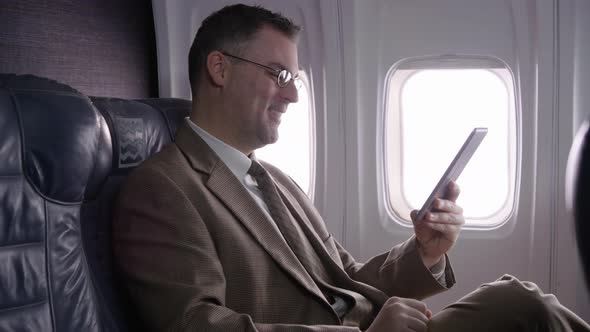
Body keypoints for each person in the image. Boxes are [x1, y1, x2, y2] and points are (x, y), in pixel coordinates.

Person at [113, 3, 590, 331]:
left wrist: (423, 251)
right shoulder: (163, 188)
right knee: (520, 304)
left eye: (295, 78)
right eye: (279, 75)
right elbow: (197, 325)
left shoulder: (276, 181)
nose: (294, 94)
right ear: (219, 68)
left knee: (518, 298)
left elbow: (347, 277)